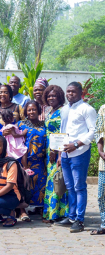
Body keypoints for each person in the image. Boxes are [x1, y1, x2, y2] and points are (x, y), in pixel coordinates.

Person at [56, 82, 96, 233]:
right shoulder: (65, 109)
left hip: (80, 153)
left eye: (73, 92)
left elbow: (93, 131)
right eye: (68, 91)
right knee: (70, 186)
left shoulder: (87, 109)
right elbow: (62, 131)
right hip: (66, 153)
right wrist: (60, 153)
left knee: (79, 187)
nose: (70, 94)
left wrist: (77, 144)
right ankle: (71, 217)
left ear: (80, 93)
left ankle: (79, 220)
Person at [16, 100, 47, 221]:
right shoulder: (21, 124)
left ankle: (39, 207)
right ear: (25, 112)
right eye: (29, 110)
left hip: (40, 160)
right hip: (25, 160)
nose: (31, 111)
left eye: (34, 109)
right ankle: (22, 210)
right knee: (24, 184)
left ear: (38, 111)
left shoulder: (44, 124)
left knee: (40, 184)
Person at [42, 85, 68, 223]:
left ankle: (57, 214)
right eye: (49, 96)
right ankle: (53, 213)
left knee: (57, 180)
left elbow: (62, 134)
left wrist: (57, 153)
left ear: (60, 97)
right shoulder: (50, 111)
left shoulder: (62, 111)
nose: (51, 98)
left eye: (54, 96)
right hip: (48, 151)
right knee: (53, 181)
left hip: (57, 151)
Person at [93, 103, 105, 234]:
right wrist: (100, 151)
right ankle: (104, 223)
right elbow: (99, 131)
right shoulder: (103, 108)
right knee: (102, 194)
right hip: (104, 160)